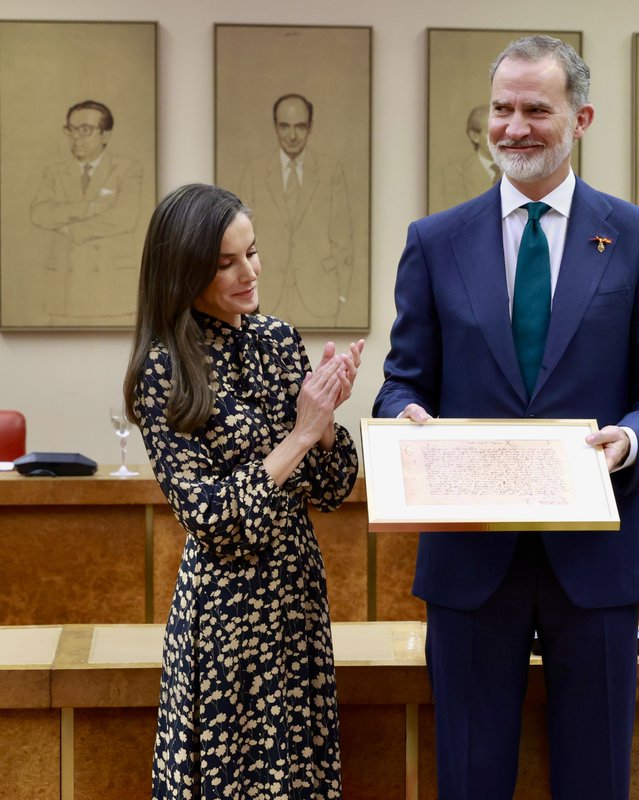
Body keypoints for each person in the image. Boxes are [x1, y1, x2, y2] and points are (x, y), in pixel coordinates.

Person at [374, 35, 639, 799]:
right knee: (469, 777)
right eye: (500, 108)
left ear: (580, 118)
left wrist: (627, 441)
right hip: (468, 563)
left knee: (595, 780)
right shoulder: (435, 241)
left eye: (535, 109)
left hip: (596, 562)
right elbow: (400, 384)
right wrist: (409, 417)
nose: (514, 127)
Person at [121, 183, 364, 798]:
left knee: (299, 775)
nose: (249, 273)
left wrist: (326, 418)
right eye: (226, 263)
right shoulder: (163, 368)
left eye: (252, 253)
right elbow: (210, 519)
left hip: (296, 598)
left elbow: (333, 489)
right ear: (184, 273)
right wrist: (299, 436)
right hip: (226, 617)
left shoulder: (278, 340)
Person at [237, 93, 353, 328]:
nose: (292, 135)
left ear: (310, 127)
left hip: (320, 292)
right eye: (285, 126)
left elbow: (343, 237)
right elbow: (241, 240)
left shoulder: (331, 171)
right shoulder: (255, 171)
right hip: (266, 293)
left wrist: (342, 294)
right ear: (275, 127)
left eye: (299, 126)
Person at [31, 99, 143, 321]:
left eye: (84, 130)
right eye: (71, 129)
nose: (75, 137)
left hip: (109, 284)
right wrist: (88, 208)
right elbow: (40, 213)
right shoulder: (55, 172)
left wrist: (72, 231)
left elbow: (124, 217)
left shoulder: (127, 169)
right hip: (64, 285)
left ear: (105, 135)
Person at [438, 104, 501, 211]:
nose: (498, 138)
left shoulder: (516, 170)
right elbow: (457, 219)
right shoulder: (456, 172)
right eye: (491, 132)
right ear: (474, 136)